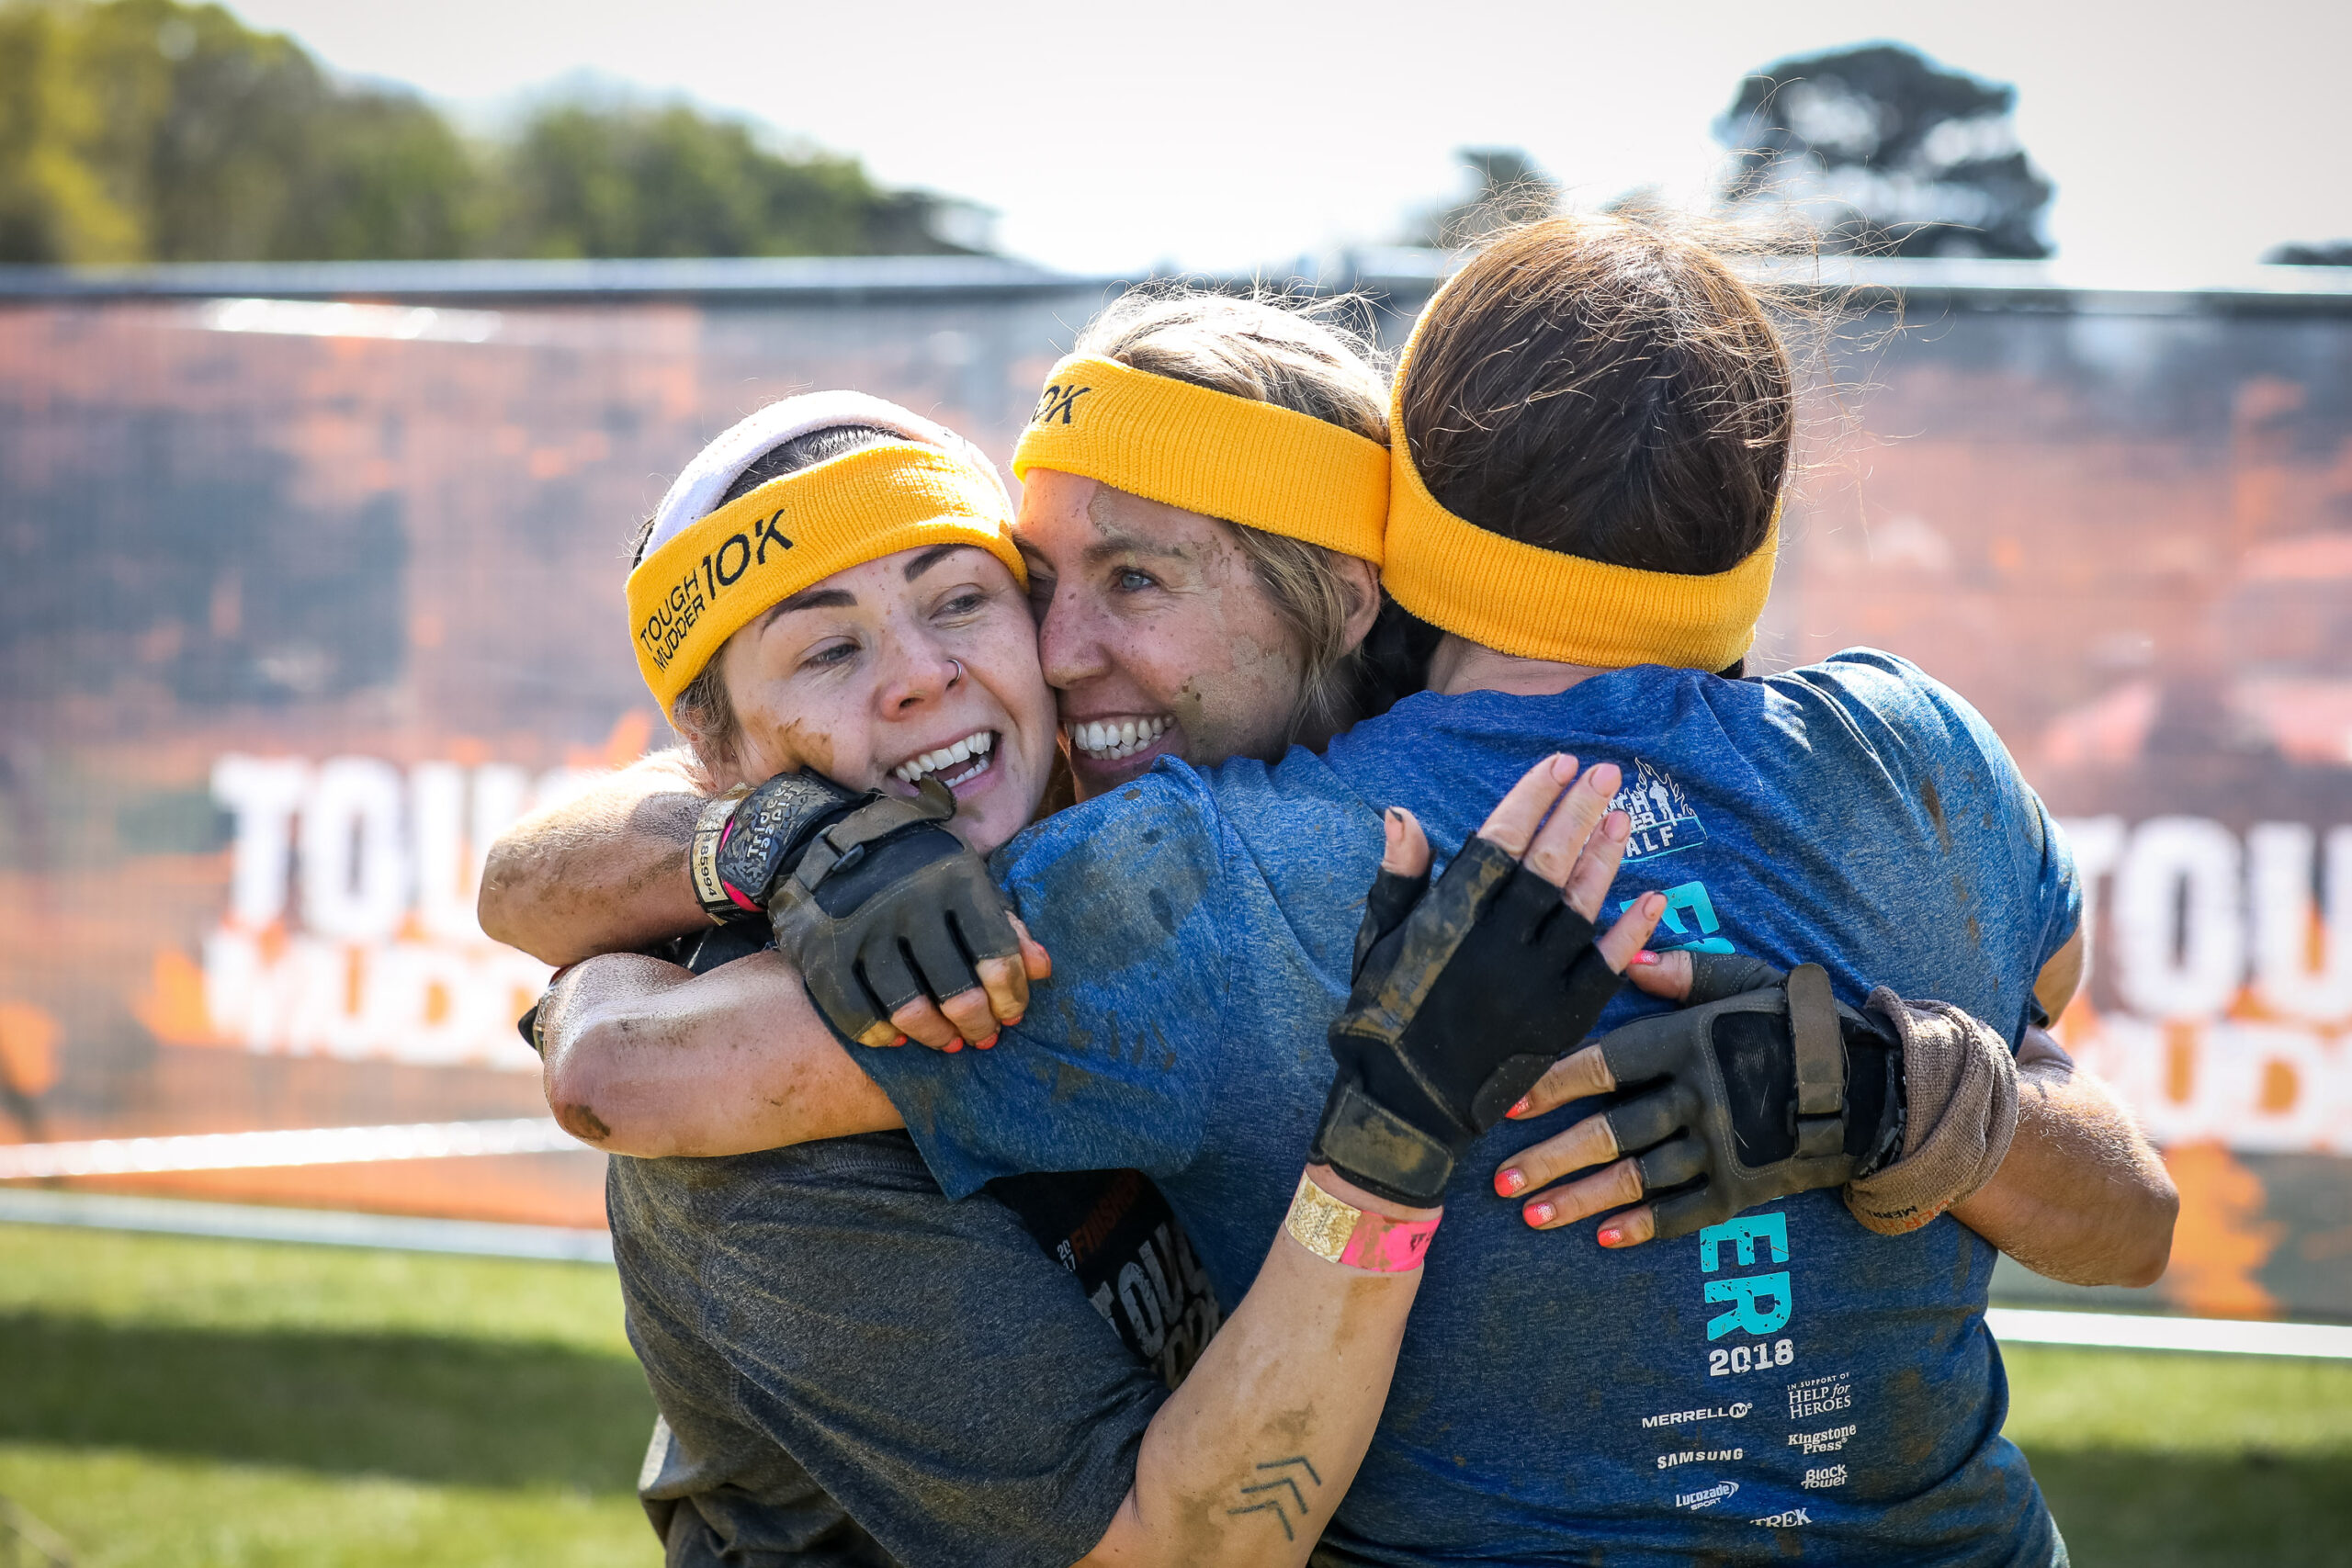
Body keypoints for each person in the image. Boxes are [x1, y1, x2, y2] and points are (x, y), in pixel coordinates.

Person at [506, 221, 2178, 1565]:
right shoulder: (1923, 750)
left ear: (1368, 576)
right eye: (1037, 582)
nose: (1046, 652)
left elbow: (650, 1073)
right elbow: (2096, 1083)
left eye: (1135, 580)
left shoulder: (1219, 878)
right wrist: (753, 842)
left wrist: (1910, 1086)